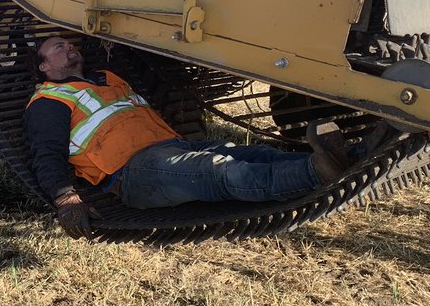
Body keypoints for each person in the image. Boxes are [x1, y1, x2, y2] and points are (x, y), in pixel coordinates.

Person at [25, 36, 353, 237]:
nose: (68, 45)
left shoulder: (108, 78)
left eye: (69, 43)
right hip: (133, 173)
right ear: (43, 67)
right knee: (219, 170)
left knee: (252, 154)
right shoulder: (49, 101)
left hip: (172, 149)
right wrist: (65, 198)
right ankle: (316, 172)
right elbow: (46, 153)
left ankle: (348, 158)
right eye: (57, 46)